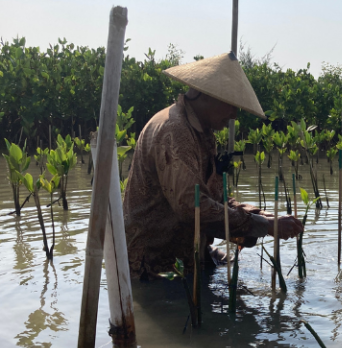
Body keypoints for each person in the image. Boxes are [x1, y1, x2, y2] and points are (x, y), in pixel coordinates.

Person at [123, 52, 302, 280]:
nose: (235, 115)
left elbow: (215, 200)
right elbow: (192, 207)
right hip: (154, 264)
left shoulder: (203, 132)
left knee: (239, 271)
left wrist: (265, 217)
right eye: (230, 104)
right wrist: (263, 225)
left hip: (189, 251)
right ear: (203, 94)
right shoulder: (175, 130)